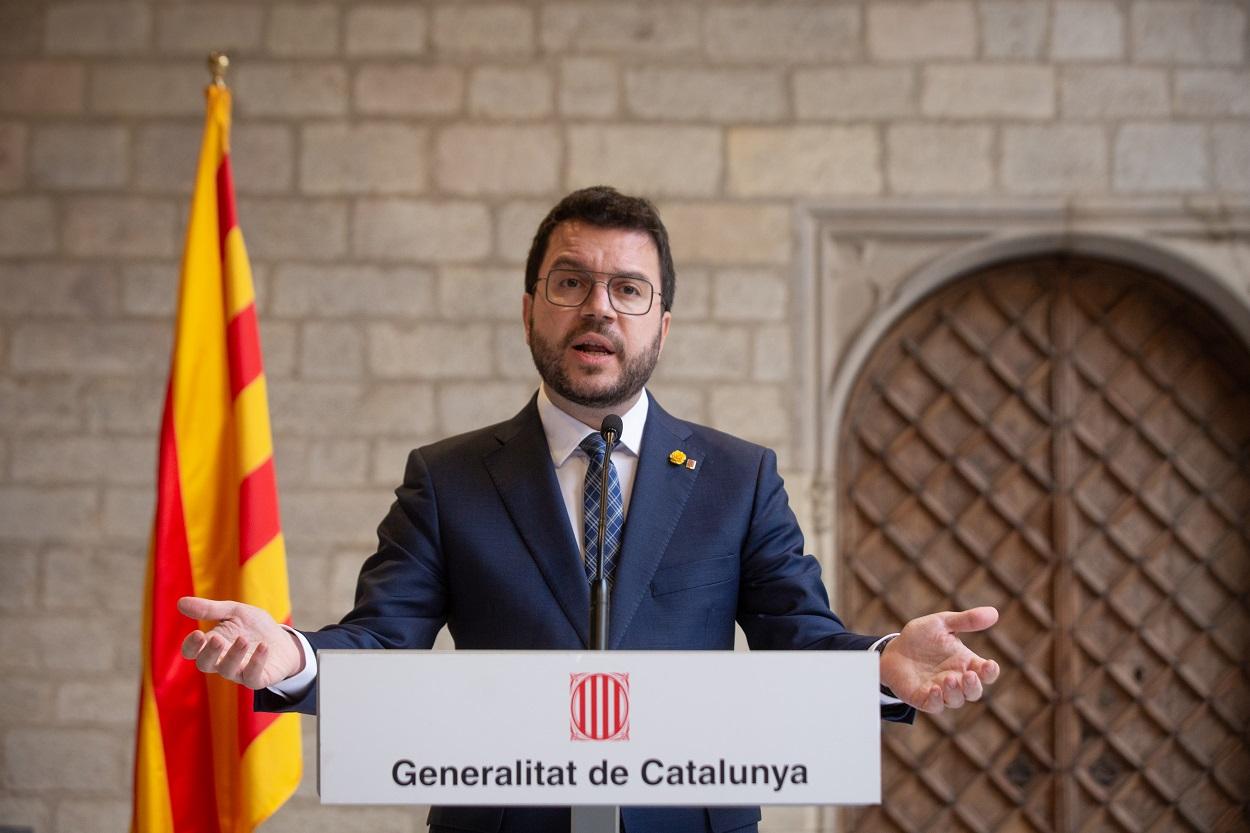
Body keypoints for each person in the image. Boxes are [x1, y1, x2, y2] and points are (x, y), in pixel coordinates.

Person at [179, 186, 1000, 833]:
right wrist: (294, 657)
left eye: (627, 288)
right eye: (570, 282)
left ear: (662, 325)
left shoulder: (738, 478)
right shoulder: (448, 479)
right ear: (530, 307)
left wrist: (882, 663)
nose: (598, 307)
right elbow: (382, 642)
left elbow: (802, 637)